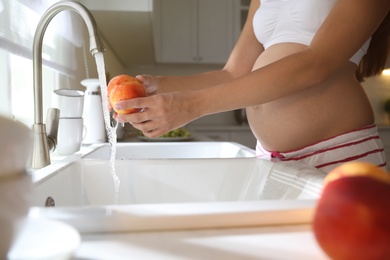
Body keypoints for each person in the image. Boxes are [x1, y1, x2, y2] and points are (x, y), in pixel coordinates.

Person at [113, 0, 390, 173]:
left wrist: (189, 105)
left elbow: (316, 65)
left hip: (337, 153)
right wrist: (159, 87)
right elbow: (233, 73)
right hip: (271, 158)